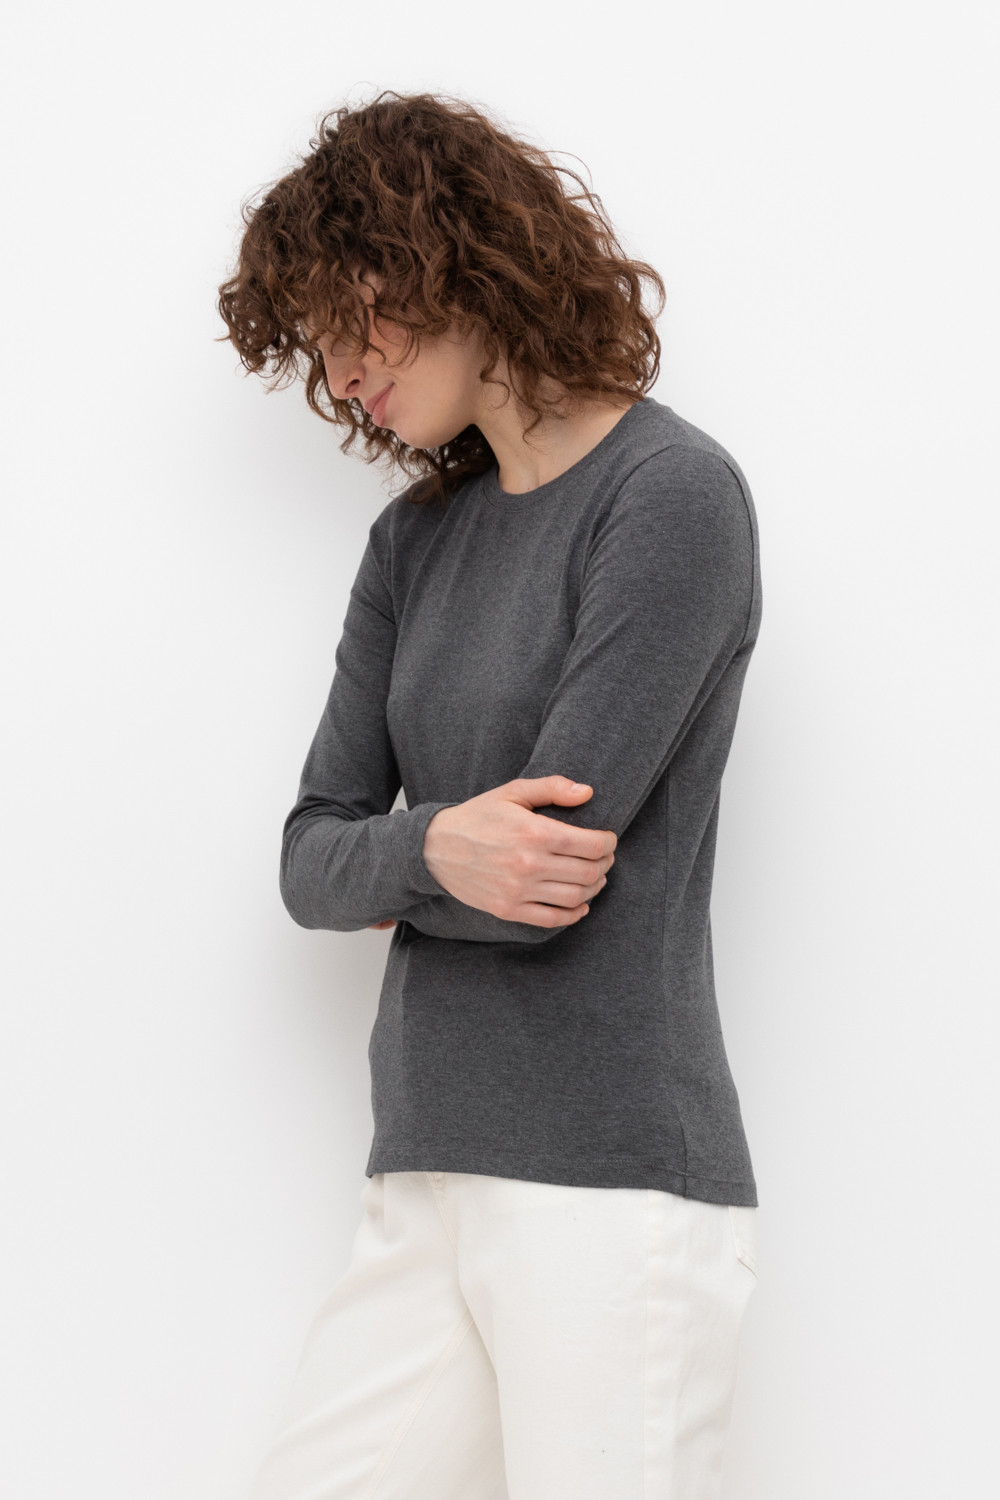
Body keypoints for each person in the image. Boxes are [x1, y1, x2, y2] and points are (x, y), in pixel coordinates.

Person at [218, 87, 762, 1500]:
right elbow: (307, 858)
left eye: (352, 323)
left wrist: (401, 864)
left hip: (610, 1182)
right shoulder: (413, 543)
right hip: (424, 1165)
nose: (341, 376)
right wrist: (436, 848)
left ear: (449, 262)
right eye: (316, 350)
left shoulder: (670, 497)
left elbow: (545, 874)